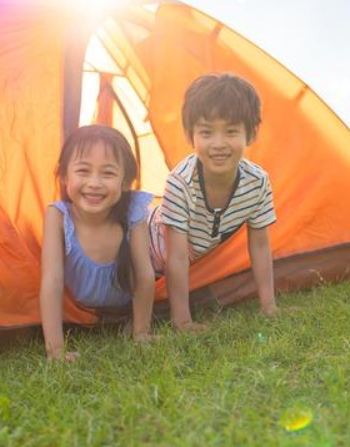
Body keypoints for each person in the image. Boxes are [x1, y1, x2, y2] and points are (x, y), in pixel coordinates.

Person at [149, 72, 278, 331]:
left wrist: (269, 306)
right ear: (190, 136)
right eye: (206, 133)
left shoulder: (257, 182)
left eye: (231, 132)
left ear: (250, 134)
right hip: (144, 247)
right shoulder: (181, 182)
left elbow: (261, 246)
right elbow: (176, 257)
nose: (218, 144)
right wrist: (183, 321)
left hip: (187, 259)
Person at [40, 125, 156, 361]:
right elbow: (52, 280)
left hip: (126, 308)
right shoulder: (58, 217)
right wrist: (56, 349)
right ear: (64, 176)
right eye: (83, 170)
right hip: (81, 312)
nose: (94, 183)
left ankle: (130, 323)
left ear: (125, 182)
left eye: (108, 173)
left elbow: (144, 273)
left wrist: (141, 332)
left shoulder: (134, 211)